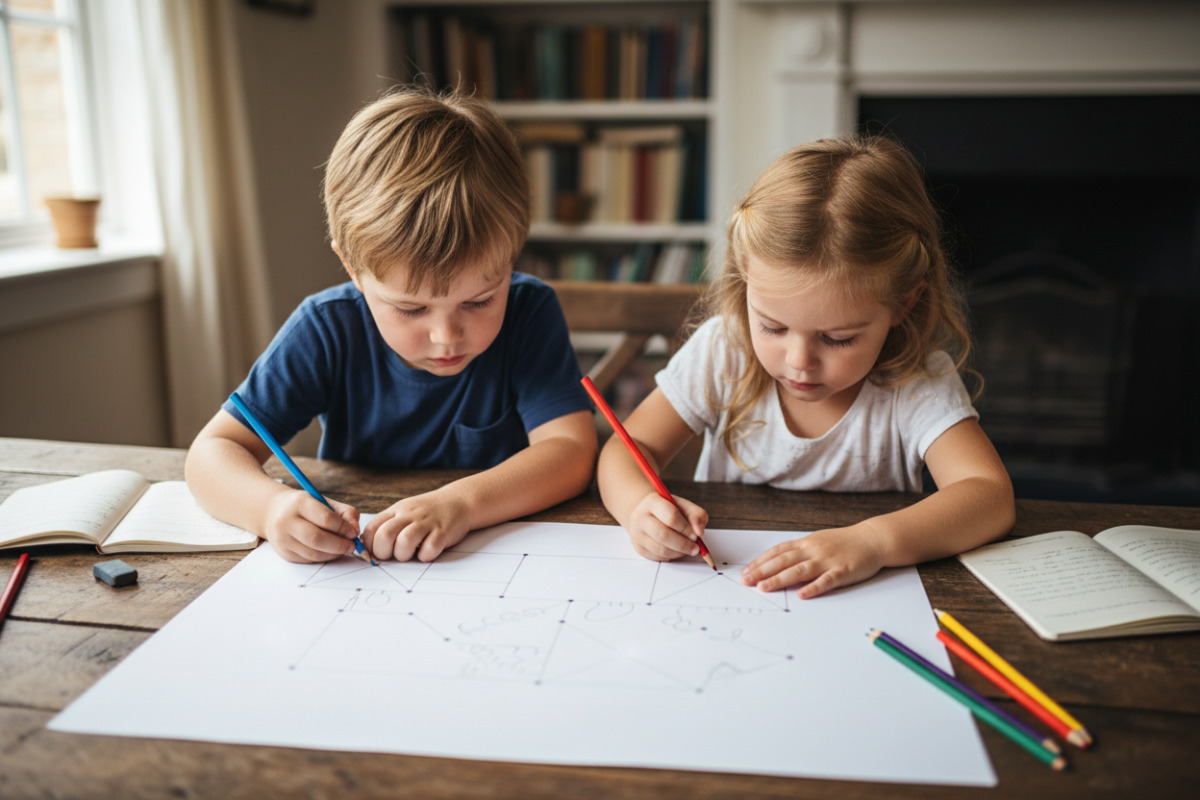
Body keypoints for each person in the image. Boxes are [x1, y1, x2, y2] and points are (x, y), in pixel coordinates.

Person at [186, 86, 597, 564]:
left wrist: (460, 503)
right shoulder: (326, 329)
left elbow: (570, 450)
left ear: (512, 256)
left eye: (480, 300)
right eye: (410, 309)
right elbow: (213, 451)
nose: (446, 336)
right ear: (353, 270)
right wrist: (270, 508)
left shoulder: (530, 313)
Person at [596, 135, 1015, 599]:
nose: (799, 362)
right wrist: (639, 508)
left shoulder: (915, 379)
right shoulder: (724, 350)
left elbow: (989, 496)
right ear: (745, 283)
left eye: (838, 338)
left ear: (904, 303)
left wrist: (873, 542)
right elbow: (626, 449)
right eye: (773, 328)